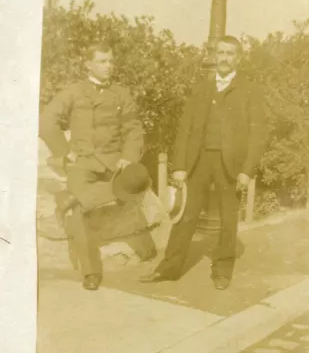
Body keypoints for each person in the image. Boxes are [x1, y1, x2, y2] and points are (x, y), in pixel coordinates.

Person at [140, 35, 267, 290]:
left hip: (230, 163)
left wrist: (247, 171)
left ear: (238, 58)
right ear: (214, 56)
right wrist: (179, 166)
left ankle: (222, 270)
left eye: (230, 53)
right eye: (220, 52)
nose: (224, 58)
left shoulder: (249, 90)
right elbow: (185, 128)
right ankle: (169, 268)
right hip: (198, 161)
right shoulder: (201, 88)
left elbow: (258, 134)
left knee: (228, 218)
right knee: (185, 215)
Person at [39, 41, 156, 290]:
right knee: (80, 213)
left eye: (111, 61)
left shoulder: (121, 93)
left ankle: (146, 249)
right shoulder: (72, 92)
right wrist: (64, 152)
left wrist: (128, 157)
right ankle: (91, 272)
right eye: (102, 61)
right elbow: (47, 121)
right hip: (83, 163)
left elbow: (133, 129)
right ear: (88, 65)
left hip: (115, 162)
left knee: (128, 193)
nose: (108, 66)